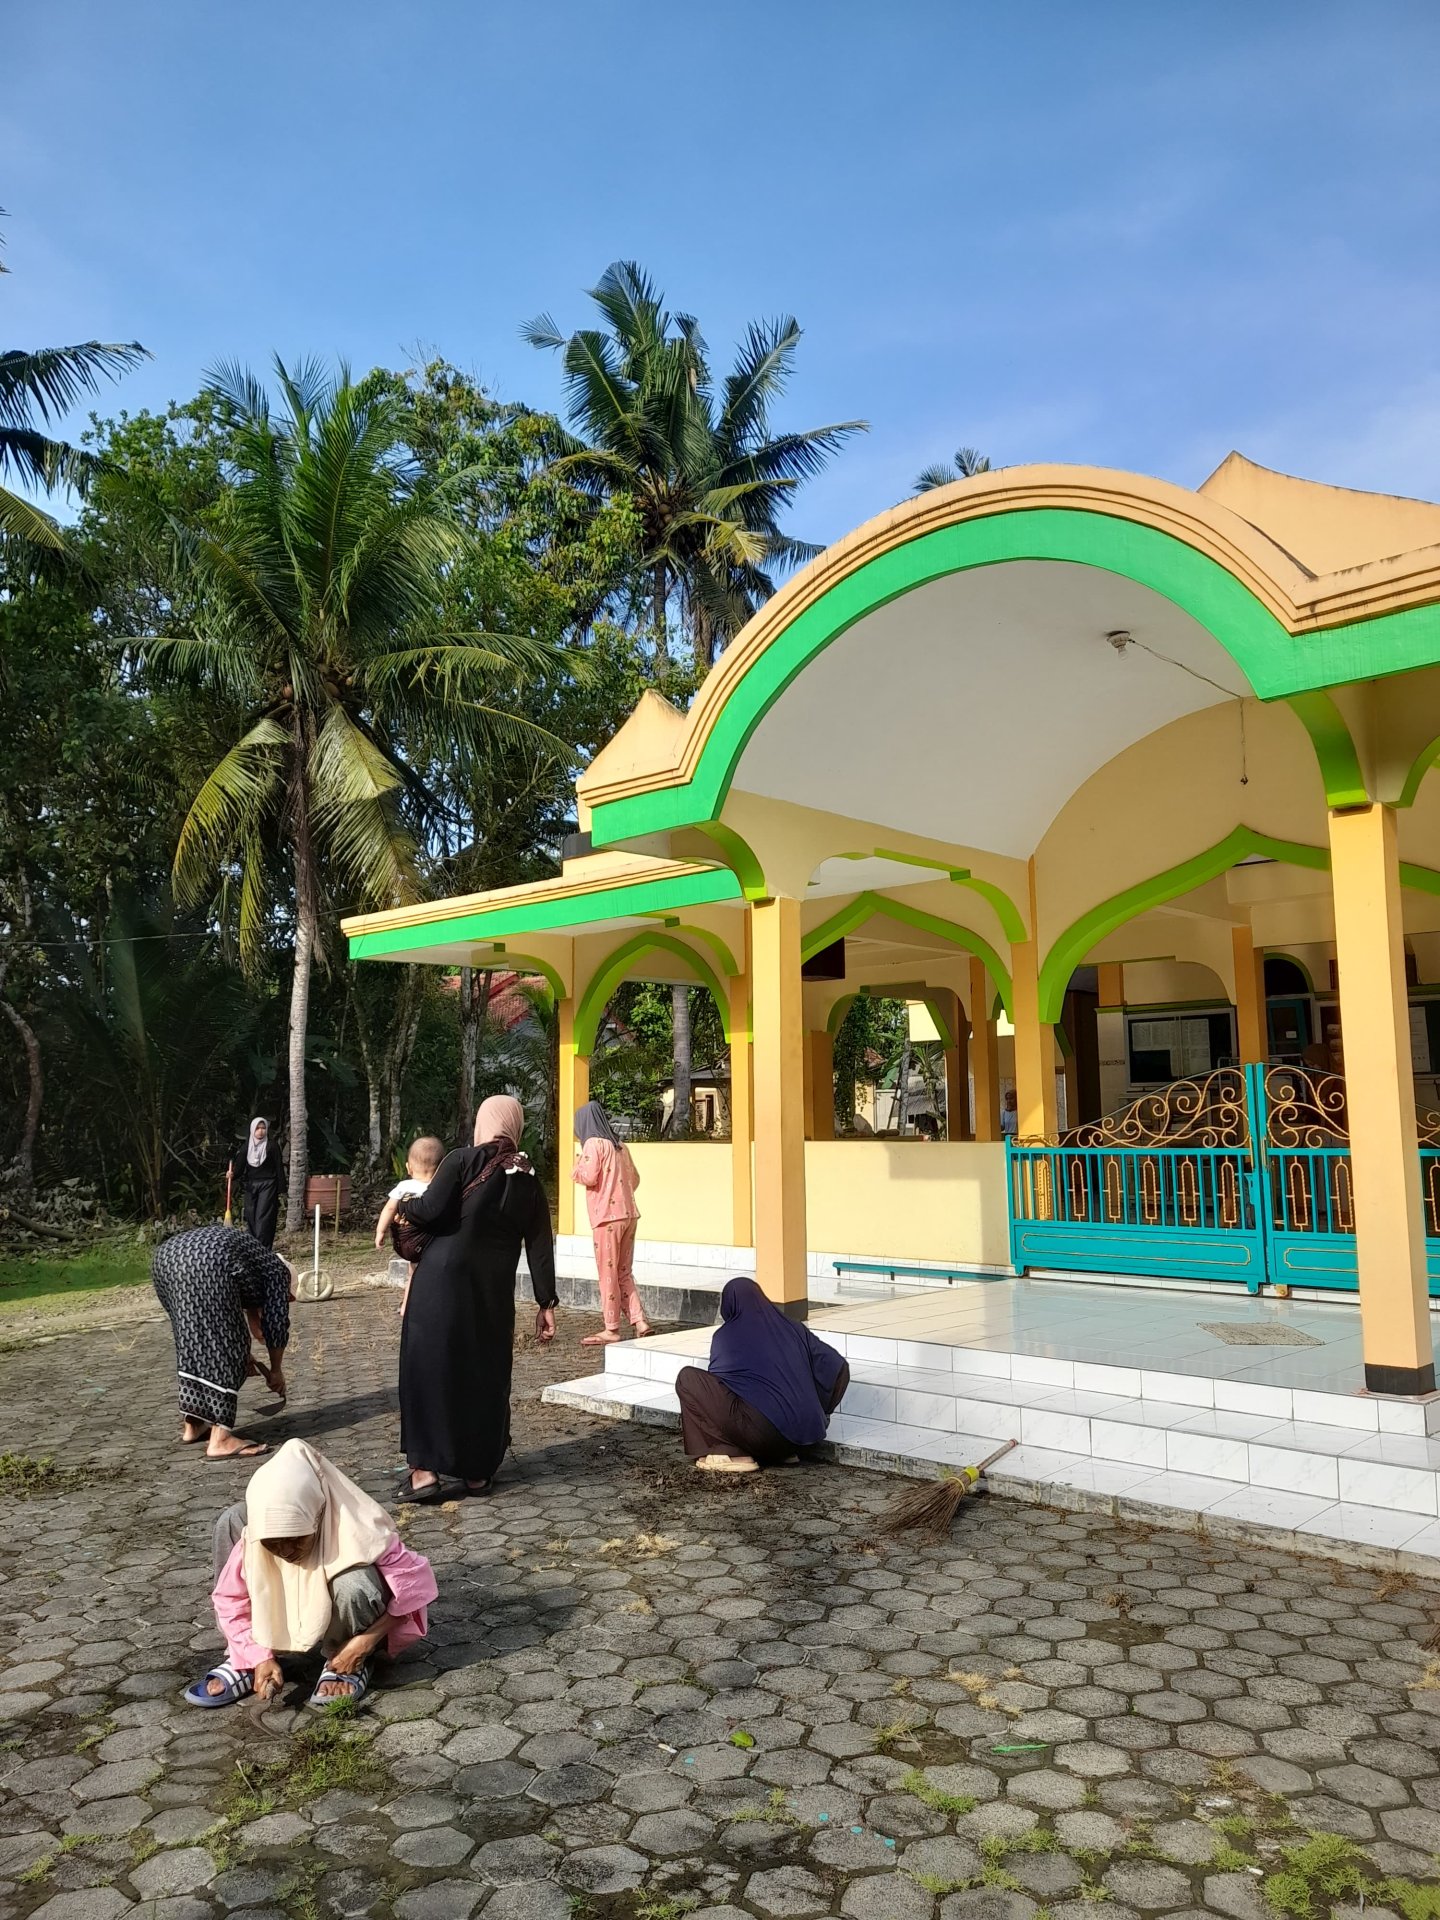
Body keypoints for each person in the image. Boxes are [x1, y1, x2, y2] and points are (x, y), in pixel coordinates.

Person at [184, 1438, 437, 1710]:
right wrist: (259, 1656)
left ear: (315, 1515)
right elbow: (229, 1599)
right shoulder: (255, 1539)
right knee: (230, 1519)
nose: (286, 1551)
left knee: (355, 1583)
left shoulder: (359, 1526)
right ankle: (246, 1654)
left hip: (348, 1627)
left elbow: (416, 1588)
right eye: (274, 1543)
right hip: (275, 1616)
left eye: (296, 1538)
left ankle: (343, 1657)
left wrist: (363, 1643)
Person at [393, 1096, 557, 1502]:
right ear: (514, 1125)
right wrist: (545, 1304)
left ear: (484, 1123)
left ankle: (425, 1474)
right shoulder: (529, 1178)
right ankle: (478, 1473)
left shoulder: (463, 1159)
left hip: (441, 1284)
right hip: (492, 1294)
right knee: (484, 1372)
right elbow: (540, 1245)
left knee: (428, 1369)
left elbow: (430, 1209)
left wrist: (403, 1207)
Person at [674, 1276, 850, 1474]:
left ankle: (733, 1453)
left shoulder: (727, 1335)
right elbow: (839, 1368)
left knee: (687, 1378)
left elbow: (719, 1395)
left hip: (763, 1436)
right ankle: (783, 1453)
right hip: (805, 1440)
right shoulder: (794, 1328)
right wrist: (819, 1411)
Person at [151, 1224, 292, 1460]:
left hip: (165, 1260)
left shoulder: (254, 1266)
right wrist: (276, 1371)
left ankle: (194, 1424)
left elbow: (250, 1312)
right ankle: (221, 1439)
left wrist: (248, 1347)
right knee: (229, 1347)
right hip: (208, 1260)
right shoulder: (279, 1273)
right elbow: (277, 1325)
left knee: (192, 1342)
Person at [572, 1100, 651, 1348]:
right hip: (629, 1215)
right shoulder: (620, 1147)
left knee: (607, 1274)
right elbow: (635, 1179)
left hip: (606, 1218)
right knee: (623, 1272)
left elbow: (588, 1175)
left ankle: (611, 1328)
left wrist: (576, 1165)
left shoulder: (593, 1145)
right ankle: (640, 1321)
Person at [374, 1134, 445, 1316]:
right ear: (441, 1169)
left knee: (412, 1274)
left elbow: (389, 1209)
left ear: (408, 1167)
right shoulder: (440, 1190)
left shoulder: (404, 1186)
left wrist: (380, 1231)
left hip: (410, 1244)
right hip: (434, 1242)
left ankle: (406, 1306)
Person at [229, 1117, 283, 1249]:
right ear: (252, 1130)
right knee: (250, 1214)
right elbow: (240, 1169)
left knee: (263, 1217)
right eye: (258, 1128)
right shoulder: (246, 1147)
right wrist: (232, 1175)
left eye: (263, 1128)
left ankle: (263, 1248)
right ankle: (253, 1247)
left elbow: (279, 1167)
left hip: (268, 1185)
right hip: (251, 1185)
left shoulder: (272, 1146)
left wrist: (281, 1189)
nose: (261, 1131)